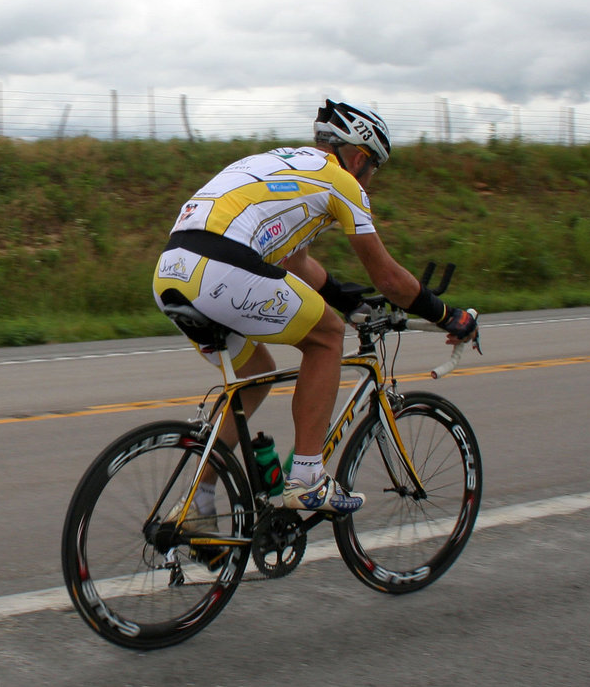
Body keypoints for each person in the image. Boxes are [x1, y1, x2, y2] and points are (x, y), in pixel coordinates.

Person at [153, 99, 477, 517]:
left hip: (173, 271)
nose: (370, 180)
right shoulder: (342, 181)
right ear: (359, 157)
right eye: (373, 170)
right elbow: (390, 279)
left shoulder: (281, 164)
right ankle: (306, 479)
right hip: (221, 267)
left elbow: (296, 263)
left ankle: (199, 503)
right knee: (326, 337)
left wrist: (349, 301)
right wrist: (448, 315)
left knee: (254, 378)